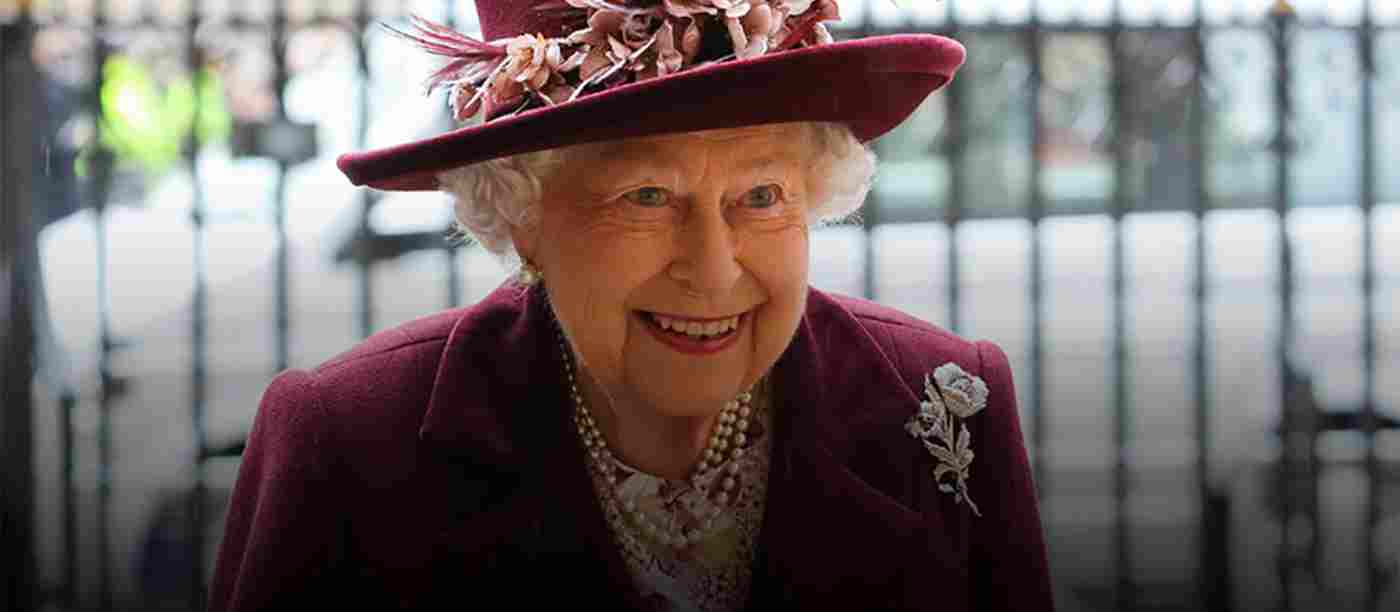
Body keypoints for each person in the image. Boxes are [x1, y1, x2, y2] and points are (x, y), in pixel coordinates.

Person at [208, 1, 1053, 610]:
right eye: (647, 196)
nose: (714, 269)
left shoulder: (944, 403)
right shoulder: (350, 443)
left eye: (761, 195)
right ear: (525, 219)